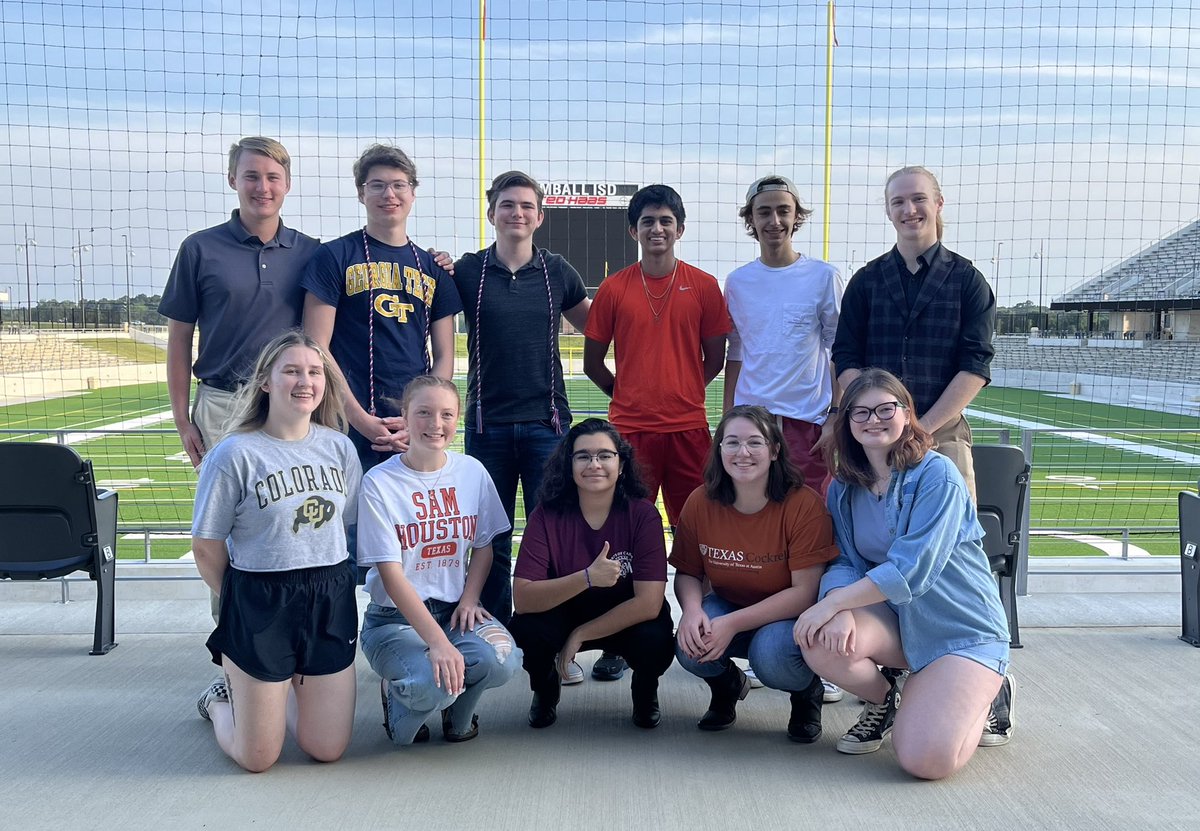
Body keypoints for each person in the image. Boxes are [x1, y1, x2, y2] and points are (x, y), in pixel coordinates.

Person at [793, 369, 1013, 780]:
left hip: (959, 629)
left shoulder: (938, 475)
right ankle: (887, 699)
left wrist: (835, 602)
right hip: (898, 623)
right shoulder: (844, 486)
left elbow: (910, 573)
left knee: (924, 761)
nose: (873, 419)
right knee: (820, 638)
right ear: (847, 423)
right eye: (860, 412)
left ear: (907, 413)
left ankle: (991, 688)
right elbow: (842, 559)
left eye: (885, 409)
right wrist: (835, 607)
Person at [191, 331, 362, 773]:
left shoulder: (339, 447)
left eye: (314, 371)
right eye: (291, 371)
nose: (304, 381)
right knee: (258, 758)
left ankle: (277, 690)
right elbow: (207, 546)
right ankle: (220, 703)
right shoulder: (235, 454)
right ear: (266, 381)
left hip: (329, 595)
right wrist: (238, 603)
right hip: (261, 599)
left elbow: (343, 525)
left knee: (326, 748)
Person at [451, 171, 590, 634]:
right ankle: (494, 629)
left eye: (526, 206)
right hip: (487, 424)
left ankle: (551, 630)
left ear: (540, 216)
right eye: (507, 205)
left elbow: (598, 326)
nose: (517, 213)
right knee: (491, 534)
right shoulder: (468, 270)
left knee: (552, 532)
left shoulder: (557, 271)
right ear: (492, 213)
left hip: (545, 425)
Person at [356, 376, 521, 745]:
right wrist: (438, 643)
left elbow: (484, 544)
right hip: (394, 621)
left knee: (503, 658)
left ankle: (457, 719)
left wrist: (469, 599)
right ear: (404, 416)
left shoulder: (471, 472)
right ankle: (395, 696)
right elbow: (391, 575)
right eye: (424, 413)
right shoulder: (380, 482)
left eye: (447, 414)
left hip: (451, 611)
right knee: (432, 687)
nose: (436, 424)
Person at [671, 405, 839, 741]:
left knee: (771, 656)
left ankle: (806, 694)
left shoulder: (802, 505)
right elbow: (687, 572)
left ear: (775, 450)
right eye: (731, 443)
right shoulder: (701, 501)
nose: (742, 452)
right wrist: (691, 612)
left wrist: (731, 624)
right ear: (719, 451)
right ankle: (727, 686)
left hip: (788, 615)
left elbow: (804, 592)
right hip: (728, 602)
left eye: (755, 443)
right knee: (689, 644)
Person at [831, 165, 995, 500]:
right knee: (867, 539)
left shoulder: (968, 281)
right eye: (898, 202)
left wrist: (921, 427)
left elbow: (975, 366)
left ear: (938, 203)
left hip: (941, 431)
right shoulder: (866, 281)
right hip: (874, 435)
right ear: (889, 211)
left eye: (918, 198)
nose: (909, 210)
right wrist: (879, 417)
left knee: (953, 543)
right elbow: (846, 356)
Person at [301, 143, 462, 473]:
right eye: (377, 185)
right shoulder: (334, 256)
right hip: (345, 416)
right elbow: (315, 345)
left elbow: (445, 355)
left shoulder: (434, 269)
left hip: (412, 427)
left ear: (413, 193)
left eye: (399, 184)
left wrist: (419, 418)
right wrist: (358, 418)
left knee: (411, 520)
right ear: (362, 194)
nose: (389, 194)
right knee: (348, 521)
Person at [161, 137, 320, 469]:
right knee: (222, 516)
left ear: (287, 184)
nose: (262, 187)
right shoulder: (199, 249)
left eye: (272, 177)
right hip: (221, 405)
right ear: (233, 178)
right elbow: (179, 338)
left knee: (289, 513)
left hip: (288, 403)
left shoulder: (312, 253)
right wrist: (181, 419)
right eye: (251, 176)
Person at [508, 418, 675, 730]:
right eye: (583, 456)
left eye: (604, 455)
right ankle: (545, 689)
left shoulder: (643, 514)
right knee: (528, 629)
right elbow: (524, 597)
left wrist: (580, 635)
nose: (594, 464)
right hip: (563, 612)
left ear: (621, 465)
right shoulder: (546, 514)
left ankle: (645, 690)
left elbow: (649, 603)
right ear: (568, 465)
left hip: (624, 616)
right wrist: (587, 577)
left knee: (656, 637)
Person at [583, 184, 729, 530]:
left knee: (696, 526)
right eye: (648, 221)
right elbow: (592, 363)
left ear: (680, 229)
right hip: (631, 430)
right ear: (634, 230)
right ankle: (631, 587)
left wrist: (683, 389)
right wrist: (629, 394)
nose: (657, 229)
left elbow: (715, 360)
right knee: (626, 525)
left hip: (687, 428)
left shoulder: (704, 286)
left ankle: (696, 587)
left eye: (666, 221)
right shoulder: (614, 288)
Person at [724, 175, 842, 497]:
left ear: (796, 216)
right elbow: (735, 352)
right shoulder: (737, 282)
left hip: (807, 422)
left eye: (783, 211)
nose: (774, 221)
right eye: (764, 212)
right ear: (751, 219)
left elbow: (839, 351)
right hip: (752, 422)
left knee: (810, 516)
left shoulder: (823, 277)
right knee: (753, 513)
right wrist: (726, 420)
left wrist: (835, 416)